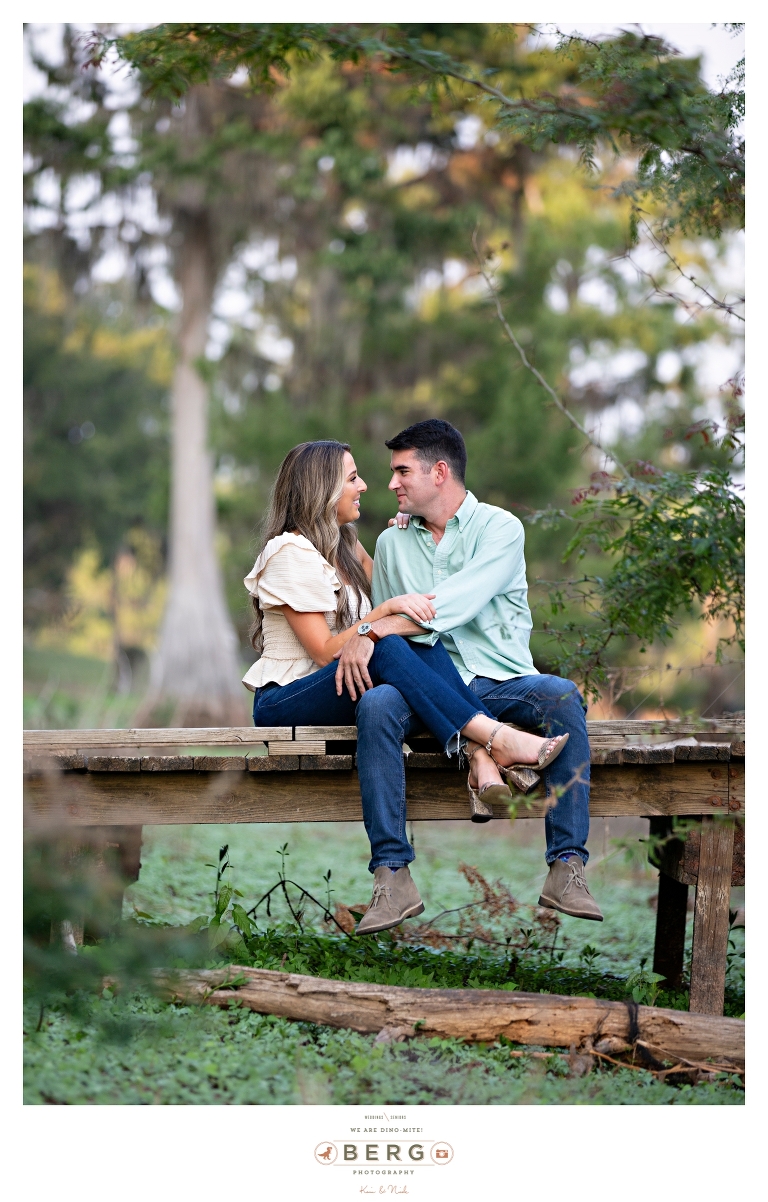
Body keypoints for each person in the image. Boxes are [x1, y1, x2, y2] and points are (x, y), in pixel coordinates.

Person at [243, 440, 567, 934]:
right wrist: (378, 620)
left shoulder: (344, 546)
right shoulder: (288, 551)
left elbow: (399, 605)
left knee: (415, 638)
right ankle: (494, 740)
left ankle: (477, 757)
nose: (364, 486)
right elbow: (326, 652)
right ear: (321, 488)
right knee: (389, 642)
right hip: (288, 699)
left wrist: (408, 531)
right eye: (352, 477)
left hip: (342, 686)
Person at [334, 419, 603, 922]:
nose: (391, 483)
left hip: (503, 681)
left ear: (439, 472)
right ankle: (391, 876)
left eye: (402, 471)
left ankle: (567, 868)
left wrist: (371, 630)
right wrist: (377, 630)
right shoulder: (391, 543)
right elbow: (397, 637)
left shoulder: (501, 529)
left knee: (563, 696)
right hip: (426, 685)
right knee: (376, 703)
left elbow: (449, 607)